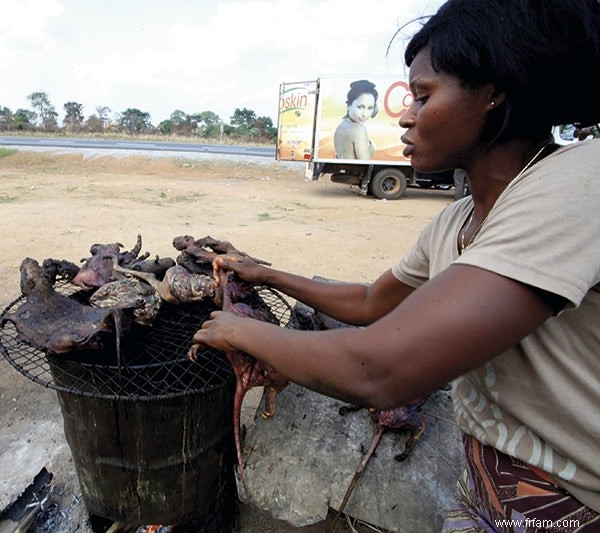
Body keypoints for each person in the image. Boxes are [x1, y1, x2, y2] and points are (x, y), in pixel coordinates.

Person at [193, 0, 600, 529]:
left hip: (574, 505)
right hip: (490, 482)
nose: (406, 116)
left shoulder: (576, 185)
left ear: (495, 91)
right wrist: (265, 273)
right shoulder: (454, 220)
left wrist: (238, 331)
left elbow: (378, 369)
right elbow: (370, 303)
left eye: (423, 96)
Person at [333, 79, 378, 159]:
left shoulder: (341, 127)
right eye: (360, 107)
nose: (365, 114)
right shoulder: (358, 129)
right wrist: (370, 150)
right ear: (349, 105)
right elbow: (365, 165)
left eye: (370, 108)